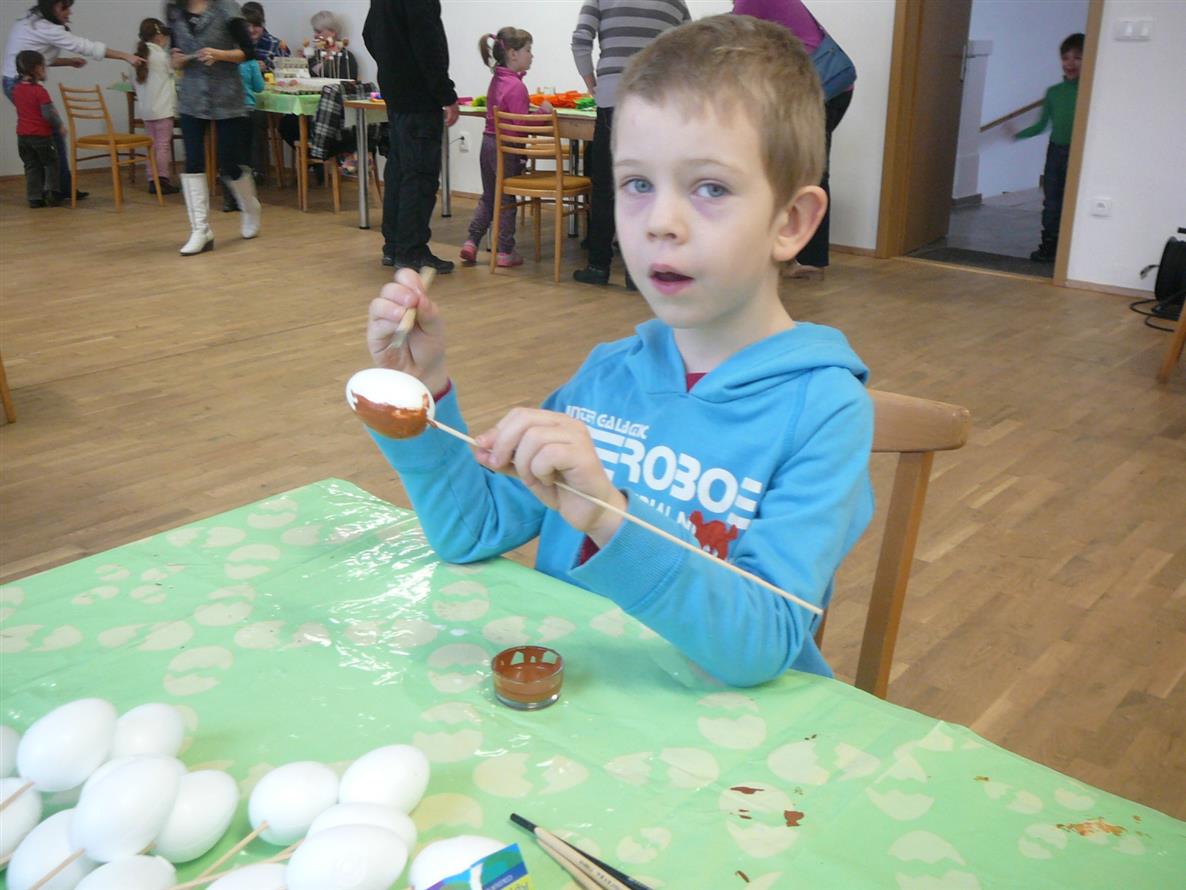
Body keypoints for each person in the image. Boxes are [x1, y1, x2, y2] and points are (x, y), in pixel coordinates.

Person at [362, 15, 874, 687]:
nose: (660, 222)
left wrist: (610, 516)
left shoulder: (825, 409)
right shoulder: (606, 377)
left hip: (727, 735)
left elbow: (761, 644)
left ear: (792, 222)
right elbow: (471, 529)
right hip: (578, 711)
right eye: (637, 184)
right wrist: (423, 391)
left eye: (711, 188)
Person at [570, 0, 690, 287]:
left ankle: (598, 266)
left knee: (605, 187)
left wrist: (593, 84)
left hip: (613, 96)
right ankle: (638, 274)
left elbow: (580, 40)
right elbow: (690, 49)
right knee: (648, 188)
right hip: (657, 100)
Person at [733, 0, 856, 280]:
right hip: (831, 88)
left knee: (808, 172)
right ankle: (798, 256)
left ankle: (804, 259)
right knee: (801, 171)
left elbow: (731, 46)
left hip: (821, 89)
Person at [3, 0, 144, 201]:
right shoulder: (46, 28)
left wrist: (68, 62)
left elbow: (35, 60)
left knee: (40, 138)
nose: (69, 12)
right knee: (50, 135)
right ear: (51, 7)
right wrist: (125, 56)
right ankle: (57, 189)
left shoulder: (31, 21)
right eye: (64, 8)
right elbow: (86, 47)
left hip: (12, 81)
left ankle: (48, 191)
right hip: (16, 83)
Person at [364, 0, 459, 274]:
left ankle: (394, 246)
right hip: (419, 98)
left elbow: (369, 34)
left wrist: (391, 65)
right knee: (419, 177)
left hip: (396, 95)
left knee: (399, 171)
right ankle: (411, 251)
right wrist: (446, 95)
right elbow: (428, 46)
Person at [165, 0, 261, 256]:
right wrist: (176, 60)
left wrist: (220, 54)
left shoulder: (227, 8)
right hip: (192, 97)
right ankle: (200, 229)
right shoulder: (175, 12)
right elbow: (173, 54)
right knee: (193, 161)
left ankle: (250, 208)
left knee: (229, 162)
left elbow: (248, 51)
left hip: (226, 95)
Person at [459, 28, 553, 270]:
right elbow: (521, 125)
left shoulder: (496, 81)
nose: (532, 56)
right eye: (528, 50)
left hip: (488, 143)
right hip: (508, 149)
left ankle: (472, 241)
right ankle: (504, 251)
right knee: (507, 199)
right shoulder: (518, 86)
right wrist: (543, 114)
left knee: (489, 196)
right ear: (513, 54)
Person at [1011, 32, 1083, 263]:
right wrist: (1018, 134)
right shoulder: (1054, 92)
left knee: (1076, 200)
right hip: (1055, 152)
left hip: (1080, 153)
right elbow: (1042, 124)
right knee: (1051, 201)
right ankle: (1049, 245)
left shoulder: (1089, 92)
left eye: (1077, 58)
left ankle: (1074, 248)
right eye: (1066, 58)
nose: (1070, 63)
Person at [133, 17, 179, 196]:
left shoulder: (137, 58)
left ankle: (152, 180)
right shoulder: (162, 57)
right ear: (159, 36)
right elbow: (176, 72)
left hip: (146, 110)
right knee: (163, 145)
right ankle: (163, 179)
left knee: (152, 145)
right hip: (163, 109)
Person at [12, 50, 63, 207]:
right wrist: (59, 125)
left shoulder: (16, 89)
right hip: (40, 135)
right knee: (51, 163)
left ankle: (34, 197)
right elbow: (49, 114)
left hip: (22, 136)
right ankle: (52, 193)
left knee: (31, 165)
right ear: (36, 68)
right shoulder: (40, 91)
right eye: (43, 66)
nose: (44, 70)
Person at [222, 47, 264, 211]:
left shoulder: (222, 59)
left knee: (227, 154)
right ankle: (245, 199)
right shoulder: (250, 62)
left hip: (224, 110)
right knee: (245, 156)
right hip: (246, 109)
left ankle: (228, 200)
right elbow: (259, 87)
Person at [240, 1, 287, 73]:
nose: (251, 30)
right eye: (246, 26)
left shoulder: (276, 45)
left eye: (256, 25)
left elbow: (288, 72)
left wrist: (267, 68)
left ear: (263, 24)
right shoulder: (234, 43)